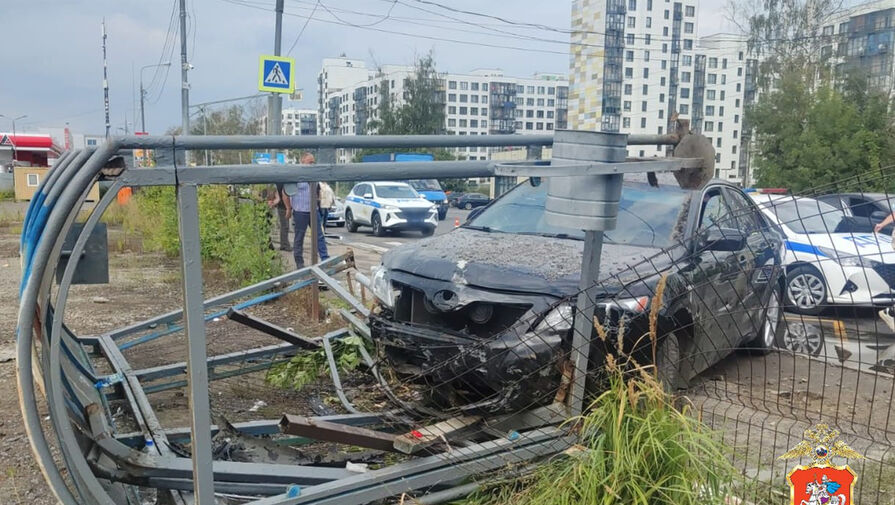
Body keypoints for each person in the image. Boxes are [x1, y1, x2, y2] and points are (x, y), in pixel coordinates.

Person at [285, 152, 329, 269]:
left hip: (313, 211)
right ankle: (300, 263)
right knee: (299, 237)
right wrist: (288, 208)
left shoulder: (314, 175)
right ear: (303, 162)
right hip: (300, 211)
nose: (312, 164)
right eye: (310, 162)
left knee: (319, 236)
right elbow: (285, 192)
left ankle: (325, 259)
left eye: (313, 162)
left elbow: (318, 190)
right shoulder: (296, 175)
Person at [266, 183, 292, 251]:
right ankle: (284, 245)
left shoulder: (276, 184)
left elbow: (277, 197)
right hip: (283, 206)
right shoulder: (281, 184)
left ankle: (284, 244)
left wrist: (273, 203)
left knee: (284, 226)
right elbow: (283, 196)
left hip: (280, 206)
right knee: (285, 226)